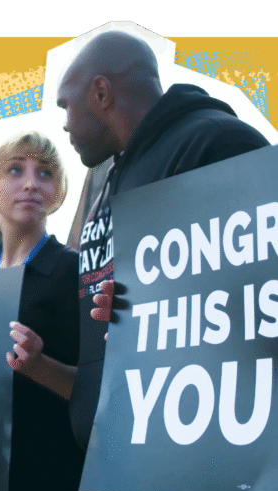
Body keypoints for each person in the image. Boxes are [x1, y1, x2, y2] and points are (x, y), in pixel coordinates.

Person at [56, 30, 270, 455]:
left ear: (101, 92)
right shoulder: (107, 179)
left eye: (66, 105)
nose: (64, 123)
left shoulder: (218, 143)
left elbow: (260, 299)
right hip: (117, 453)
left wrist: (160, 303)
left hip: (194, 452)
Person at [0, 132, 90, 491]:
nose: (31, 184)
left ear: (58, 191)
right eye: (15, 169)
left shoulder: (75, 271)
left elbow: (102, 388)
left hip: (50, 476)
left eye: (45, 173)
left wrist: (40, 366)